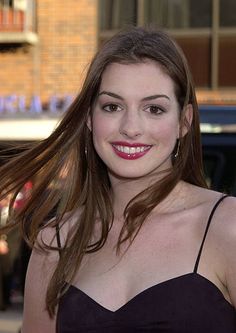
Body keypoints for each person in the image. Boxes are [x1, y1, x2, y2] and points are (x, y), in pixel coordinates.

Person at [0, 26, 236, 332]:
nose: (131, 127)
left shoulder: (226, 227)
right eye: (112, 106)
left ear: (183, 122)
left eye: (154, 108)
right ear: (89, 118)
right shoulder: (55, 243)